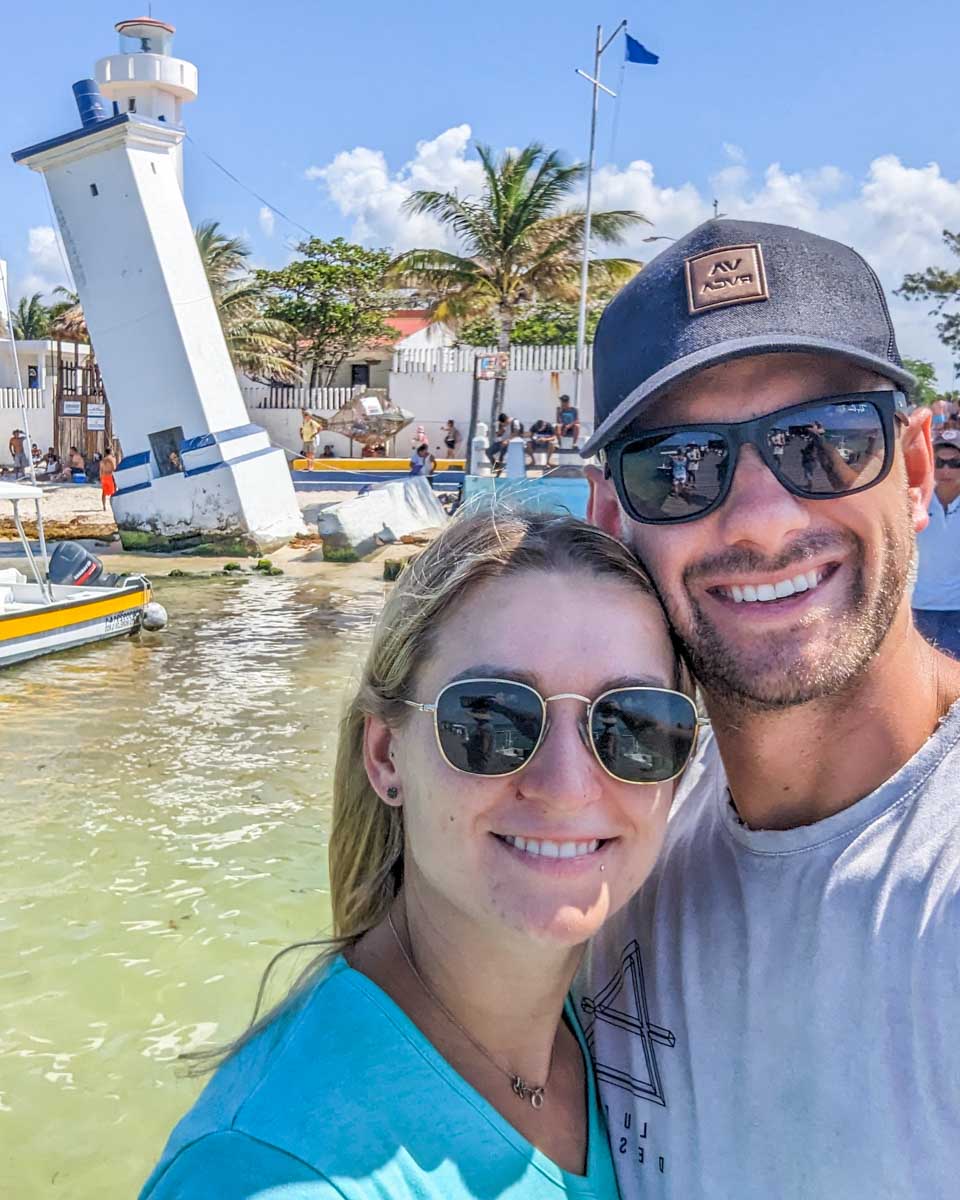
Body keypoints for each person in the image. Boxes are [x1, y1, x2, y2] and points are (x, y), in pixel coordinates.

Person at [139, 511, 700, 1199]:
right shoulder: (269, 1173)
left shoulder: (600, 1033)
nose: (565, 786)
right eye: (491, 719)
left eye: (633, 723)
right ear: (387, 755)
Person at [581, 217, 960, 1198]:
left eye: (825, 443)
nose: (759, 519)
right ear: (612, 521)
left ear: (915, 471)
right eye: (680, 466)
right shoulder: (599, 856)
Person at [913, 428, 960, 658]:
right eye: (940, 463)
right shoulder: (914, 502)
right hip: (918, 610)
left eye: (955, 463)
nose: (947, 470)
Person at [100, 444, 118, 511]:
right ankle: (114, 506)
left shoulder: (103, 460)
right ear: (111, 452)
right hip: (110, 476)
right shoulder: (112, 459)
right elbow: (114, 468)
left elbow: (100, 470)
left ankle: (104, 506)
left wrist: (101, 478)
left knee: (104, 492)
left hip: (104, 477)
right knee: (114, 492)